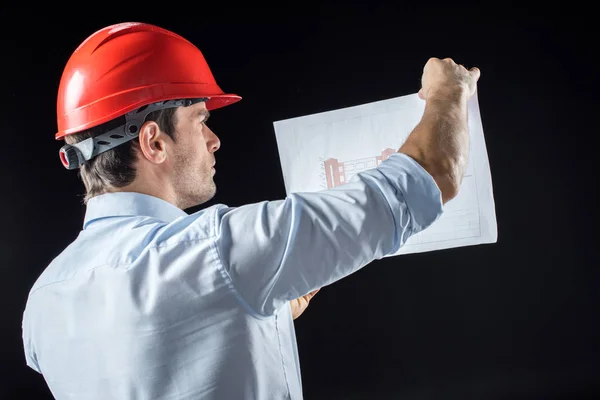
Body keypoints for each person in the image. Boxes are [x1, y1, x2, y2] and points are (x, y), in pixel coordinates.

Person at [22, 22, 480, 400]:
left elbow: (146, 357)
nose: (213, 140)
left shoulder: (43, 302)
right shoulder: (219, 250)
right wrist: (449, 94)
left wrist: (253, 314)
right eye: (201, 120)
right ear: (154, 142)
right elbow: (430, 179)